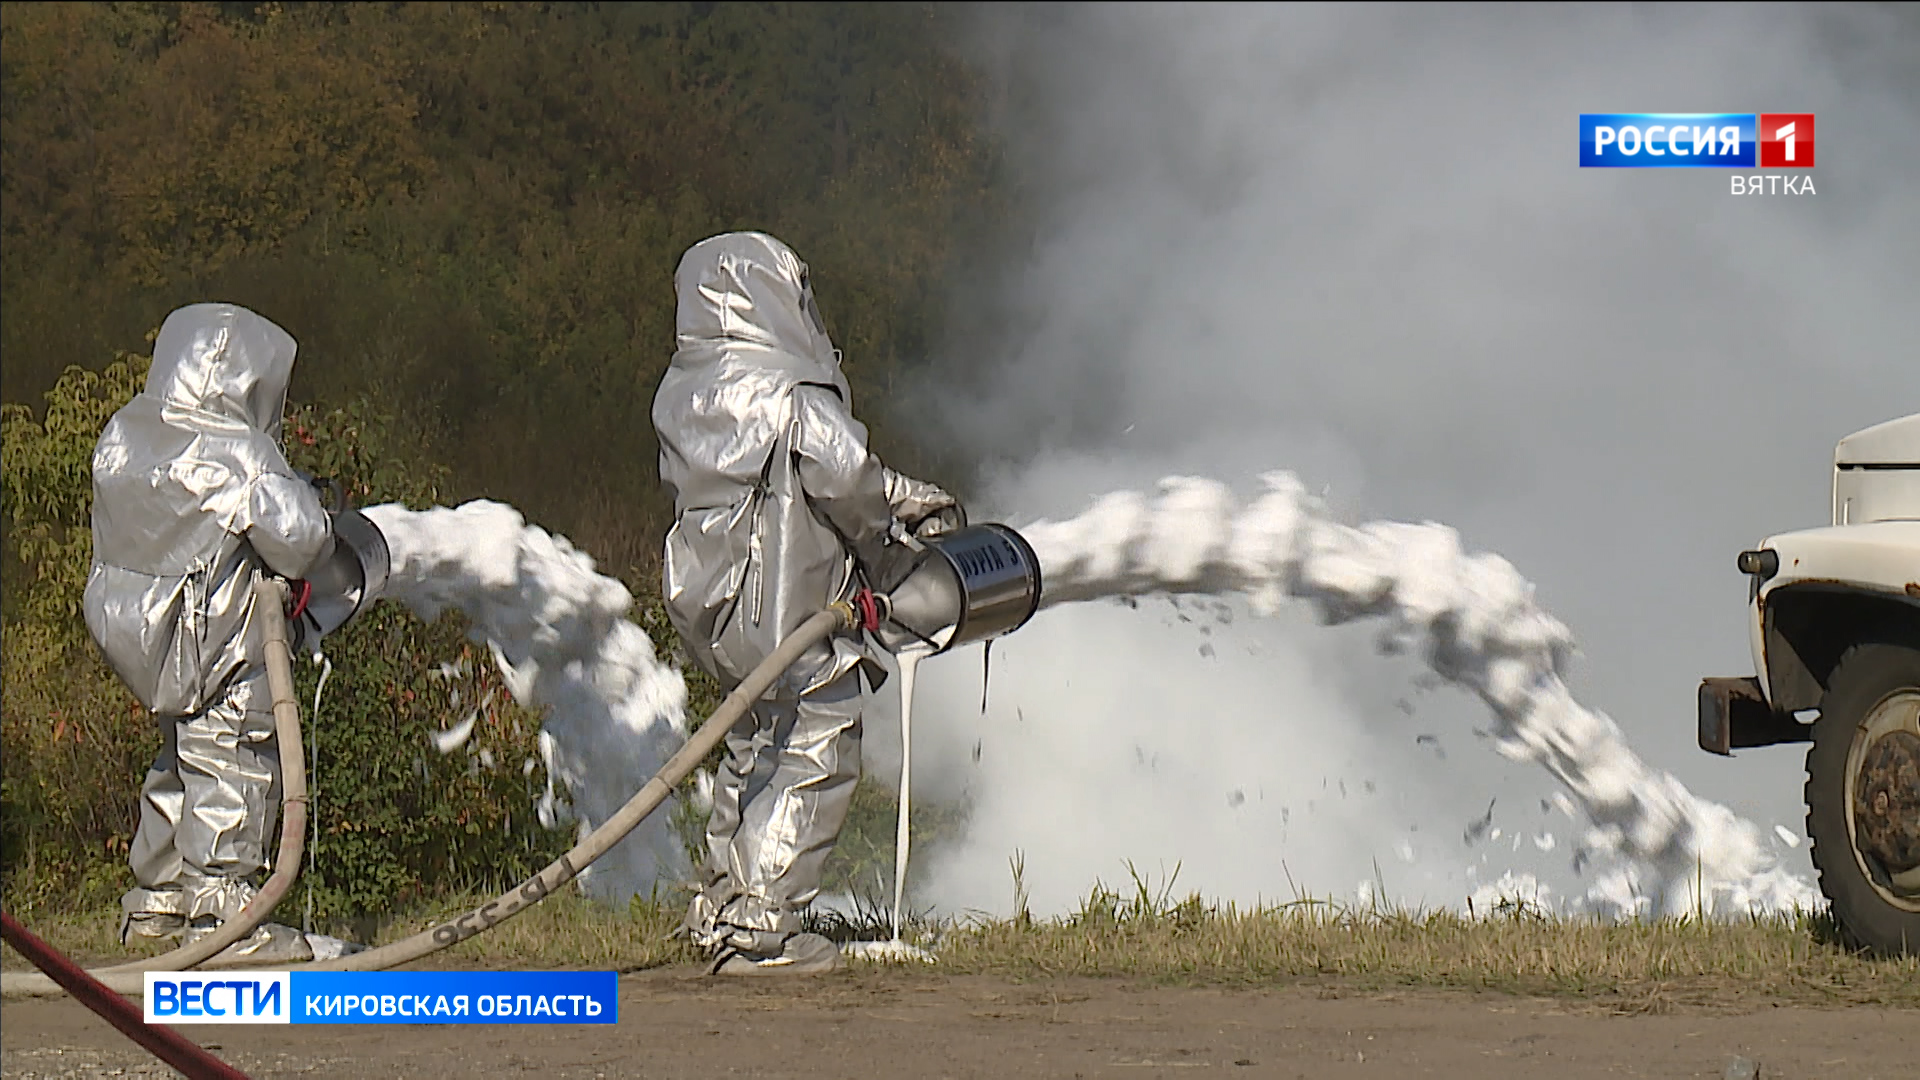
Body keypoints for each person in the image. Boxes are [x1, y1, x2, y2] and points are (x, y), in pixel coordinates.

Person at [654, 232, 961, 976]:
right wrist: (893, 546)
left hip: (714, 607)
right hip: (786, 605)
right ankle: (763, 925)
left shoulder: (685, 394)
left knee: (754, 738)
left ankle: (722, 904)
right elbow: (845, 477)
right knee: (818, 737)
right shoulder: (788, 394)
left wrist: (903, 496)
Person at [86, 303, 341, 963]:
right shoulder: (235, 451)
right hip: (216, 638)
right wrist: (305, 492)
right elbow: (304, 539)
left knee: (179, 757)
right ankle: (224, 914)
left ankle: (159, 901)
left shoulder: (126, 431)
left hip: (139, 634)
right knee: (232, 755)